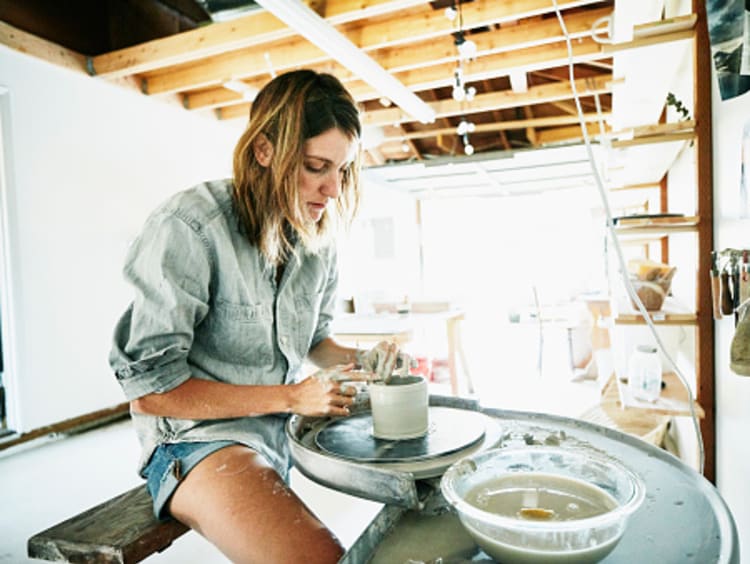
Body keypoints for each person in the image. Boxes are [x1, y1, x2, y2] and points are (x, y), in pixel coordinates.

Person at [109, 69, 410, 564]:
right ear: (265, 151)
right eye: (317, 166)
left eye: (343, 170)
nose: (333, 189)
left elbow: (315, 340)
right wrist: (294, 396)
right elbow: (150, 393)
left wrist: (367, 358)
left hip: (273, 431)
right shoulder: (190, 227)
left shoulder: (317, 240)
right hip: (191, 442)